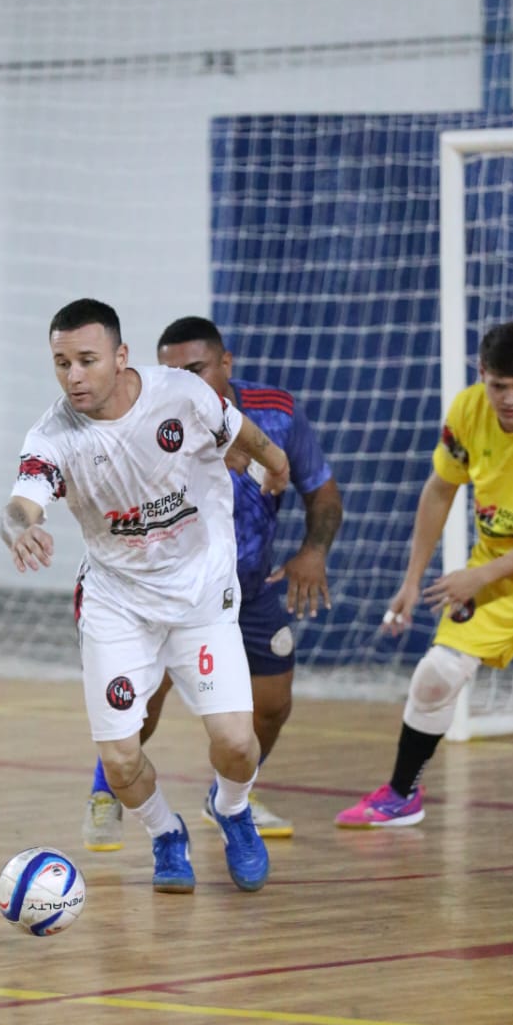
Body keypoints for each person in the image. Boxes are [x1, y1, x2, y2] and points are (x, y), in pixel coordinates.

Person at [0, 298, 292, 893]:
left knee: (237, 743)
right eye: (62, 363)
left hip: (201, 597)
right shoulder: (54, 436)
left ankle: (232, 810)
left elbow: (237, 428)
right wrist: (20, 529)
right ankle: (165, 833)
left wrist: (276, 460)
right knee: (119, 759)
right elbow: (21, 502)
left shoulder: (180, 395)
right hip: (120, 605)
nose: (74, 376)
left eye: (87, 360)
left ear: (120, 357)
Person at [82, 316, 342, 850]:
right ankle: (105, 790)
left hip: (249, 584)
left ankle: (228, 799)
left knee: (272, 704)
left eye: (196, 369)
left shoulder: (276, 413)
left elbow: (320, 489)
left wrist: (313, 552)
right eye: (172, 371)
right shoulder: (150, 418)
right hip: (169, 591)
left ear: (226, 363)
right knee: (142, 704)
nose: (183, 382)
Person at [336, 321, 513, 828]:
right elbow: (439, 490)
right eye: (498, 385)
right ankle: (401, 796)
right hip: (502, 567)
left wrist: (480, 576)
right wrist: (412, 581)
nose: (509, 399)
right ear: (481, 374)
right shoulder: (466, 412)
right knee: (436, 675)